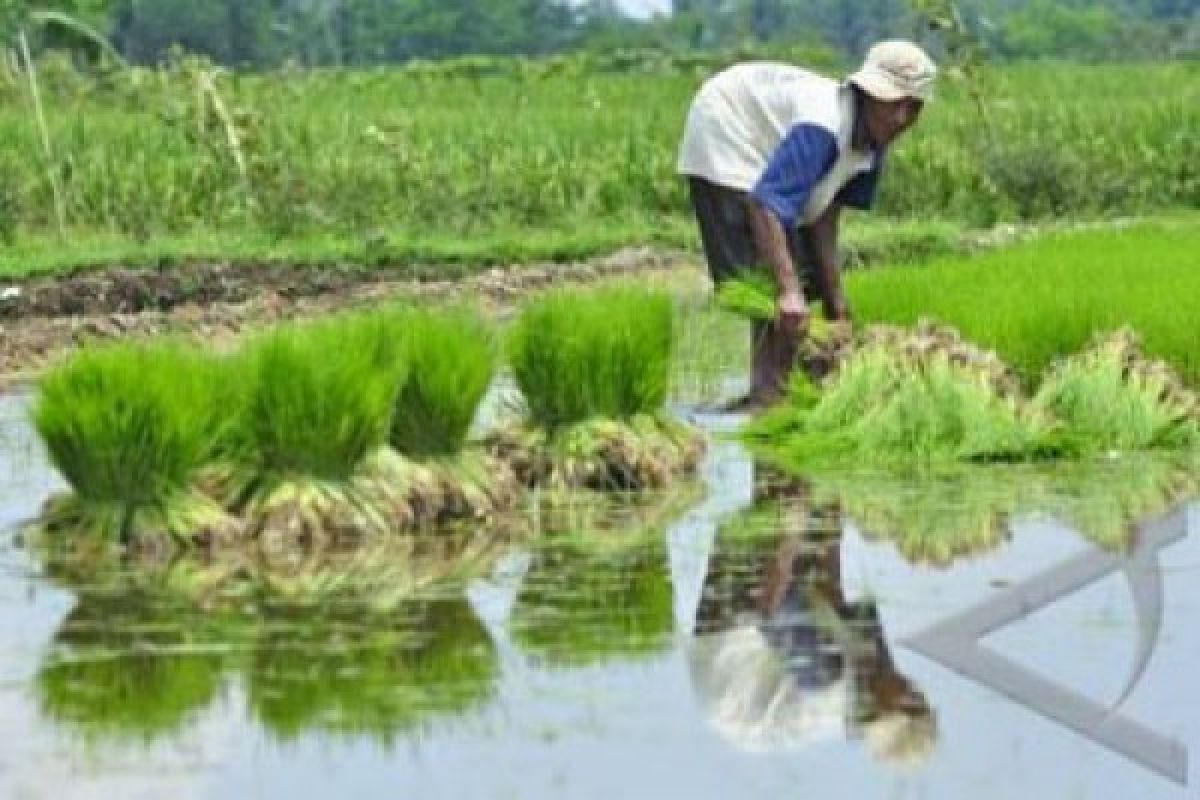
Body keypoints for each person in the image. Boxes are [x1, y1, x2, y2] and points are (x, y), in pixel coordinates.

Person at [678, 41, 937, 408]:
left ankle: (785, 385)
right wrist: (787, 290)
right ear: (867, 93)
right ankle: (769, 398)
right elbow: (764, 203)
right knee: (770, 287)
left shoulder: (871, 148)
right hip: (728, 130)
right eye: (894, 103)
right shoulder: (823, 127)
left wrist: (837, 303)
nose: (901, 119)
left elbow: (824, 216)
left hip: (765, 149)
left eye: (913, 108)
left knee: (808, 276)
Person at [688, 470, 937, 765]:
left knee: (783, 518)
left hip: (733, 666)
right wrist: (833, 499)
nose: (914, 689)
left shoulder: (827, 684)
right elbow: (830, 588)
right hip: (762, 655)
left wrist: (795, 525)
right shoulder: (875, 671)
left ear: (882, 710)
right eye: (921, 700)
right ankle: (780, 453)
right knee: (810, 519)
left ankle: (773, 451)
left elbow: (770, 609)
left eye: (910, 702)